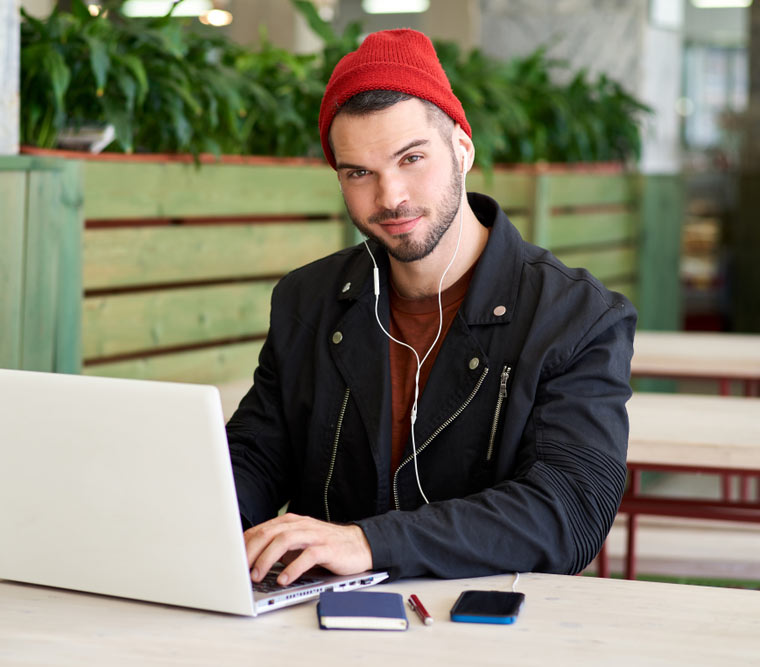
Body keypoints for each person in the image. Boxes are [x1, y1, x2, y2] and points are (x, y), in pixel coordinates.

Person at [225, 29, 636, 586]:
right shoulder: (309, 300)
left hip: (490, 627)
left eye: (411, 158)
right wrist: (208, 521)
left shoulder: (575, 316)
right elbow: (256, 456)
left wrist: (370, 542)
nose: (390, 196)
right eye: (358, 173)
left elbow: (568, 511)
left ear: (462, 149)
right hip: (319, 622)